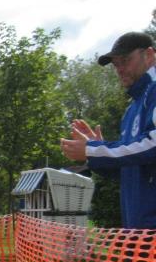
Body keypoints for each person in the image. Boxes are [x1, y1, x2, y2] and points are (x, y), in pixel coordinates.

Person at [60, 31, 156, 229]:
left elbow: (153, 145)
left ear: (149, 55)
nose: (119, 69)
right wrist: (99, 152)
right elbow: (130, 171)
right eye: (115, 64)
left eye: (125, 60)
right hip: (138, 233)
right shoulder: (132, 109)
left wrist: (94, 149)